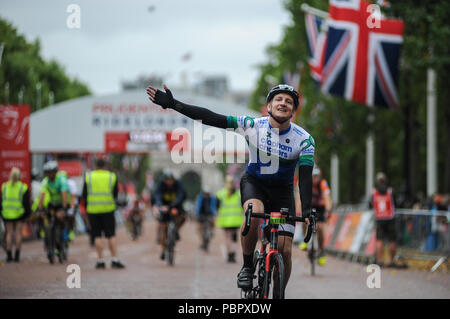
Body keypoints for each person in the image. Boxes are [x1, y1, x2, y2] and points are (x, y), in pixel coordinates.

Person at [147, 83, 314, 292]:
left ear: (293, 110)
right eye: (278, 99)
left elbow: (306, 178)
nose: (283, 103)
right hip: (256, 184)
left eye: (289, 101)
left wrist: (306, 209)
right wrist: (175, 105)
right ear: (269, 106)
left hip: (283, 192)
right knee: (255, 214)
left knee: (285, 251)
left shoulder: (305, 140)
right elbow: (212, 118)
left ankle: (279, 292)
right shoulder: (253, 125)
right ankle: (247, 266)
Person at [81, 158, 125, 269]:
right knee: (111, 235)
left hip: (93, 210)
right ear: (105, 165)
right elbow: (115, 194)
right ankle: (114, 259)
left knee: (97, 236)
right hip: (108, 210)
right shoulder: (111, 176)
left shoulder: (89, 176)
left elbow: (84, 194)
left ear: (95, 165)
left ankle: (100, 261)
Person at [37, 160, 69, 262]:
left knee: (61, 218)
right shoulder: (46, 181)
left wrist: (64, 209)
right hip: (52, 205)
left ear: (55, 172)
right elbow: (42, 195)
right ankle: (48, 243)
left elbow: (64, 193)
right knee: (45, 220)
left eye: (52, 172)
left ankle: (64, 237)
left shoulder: (61, 179)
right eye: (48, 172)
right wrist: (40, 209)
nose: (50, 174)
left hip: (62, 203)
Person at [299, 166, 332, 266]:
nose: (315, 179)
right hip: (310, 205)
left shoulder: (323, 183)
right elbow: (298, 198)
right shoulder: (307, 183)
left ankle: (321, 251)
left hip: (320, 207)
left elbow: (327, 198)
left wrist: (328, 210)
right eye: (313, 176)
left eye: (317, 176)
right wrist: (298, 210)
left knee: (321, 228)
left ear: (320, 176)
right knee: (305, 219)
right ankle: (305, 239)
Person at [152, 168, 187, 260]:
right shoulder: (160, 184)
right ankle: (163, 250)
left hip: (176, 205)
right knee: (164, 229)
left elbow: (181, 194)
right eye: (167, 180)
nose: (169, 182)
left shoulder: (178, 184)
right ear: (164, 180)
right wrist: (160, 205)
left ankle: (176, 231)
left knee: (183, 217)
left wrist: (174, 204)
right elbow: (157, 195)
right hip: (164, 207)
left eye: (170, 180)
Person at [0, 167, 31, 262]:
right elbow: (26, 203)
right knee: (18, 233)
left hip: (6, 213)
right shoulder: (23, 187)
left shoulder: (4, 186)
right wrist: (27, 214)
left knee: (9, 233)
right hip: (19, 214)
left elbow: (1, 200)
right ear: (19, 176)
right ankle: (17, 256)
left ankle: (9, 255)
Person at [370, 172, 397, 267]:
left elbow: (371, 205)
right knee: (392, 240)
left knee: (379, 240)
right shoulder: (390, 192)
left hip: (379, 218)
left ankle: (380, 260)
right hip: (390, 218)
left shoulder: (374, 192)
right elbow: (395, 203)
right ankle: (392, 261)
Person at [216, 175, 244, 263]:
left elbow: (217, 206)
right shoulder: (239, 193)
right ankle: (233, 254)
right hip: (236, 220)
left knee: (227, 238)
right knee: (234, 238)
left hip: (224, 220)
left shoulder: (220, 193)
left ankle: (229, 254)